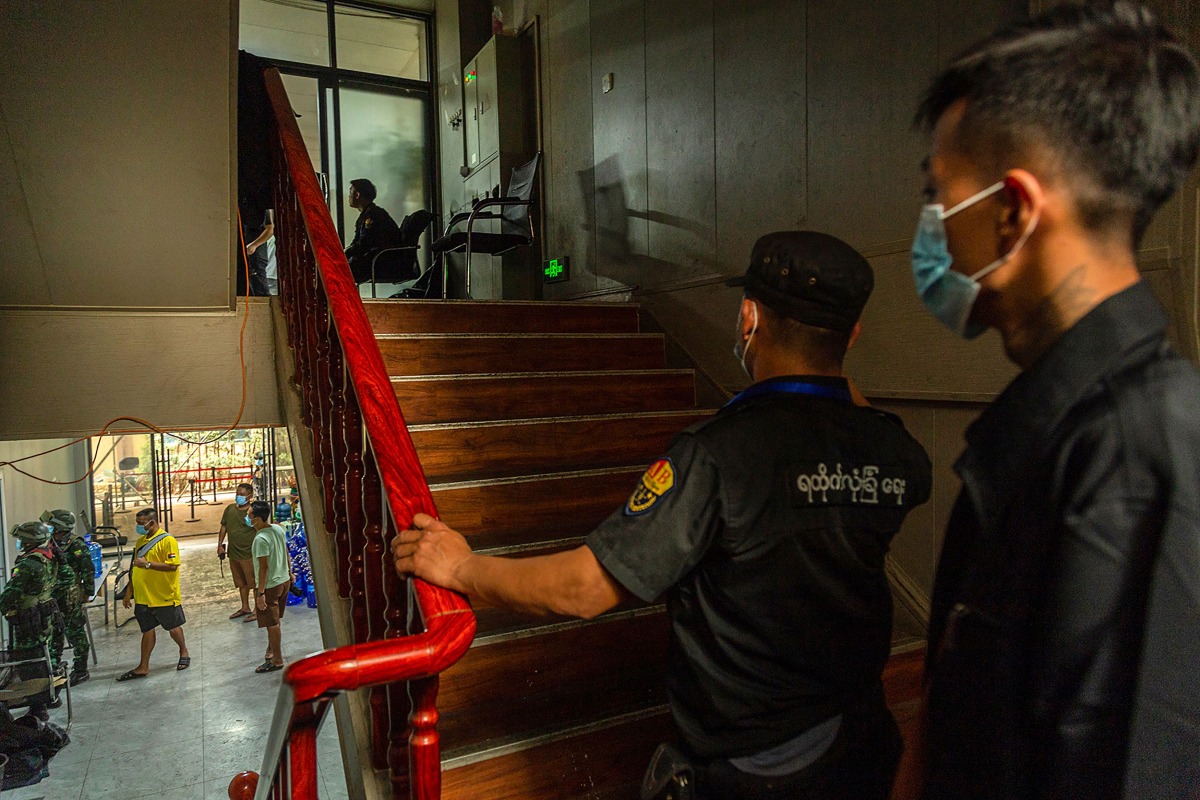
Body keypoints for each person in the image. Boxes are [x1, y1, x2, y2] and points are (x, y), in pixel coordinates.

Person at [393, 231, 933, 800]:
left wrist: (461, 569)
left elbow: (585, 589)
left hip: (758, 772)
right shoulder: (890, 447)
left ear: (748, 318)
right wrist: (829, 375)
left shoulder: (717, 455)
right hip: (863, 738)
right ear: (852, 335)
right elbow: (875, 436)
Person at [910, 4, 1200, 798]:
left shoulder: (1144, 454)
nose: (929, 229)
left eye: (939, 197)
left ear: (1013, 212)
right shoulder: (1049, 433)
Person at [118, 508, 190, 680]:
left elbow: (173, 565)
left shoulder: (168, 541)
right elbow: (134, 569)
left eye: (142, 523)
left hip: (163, 595)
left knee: (173, 628)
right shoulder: (141, 542)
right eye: (137, 523)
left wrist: (148, 564)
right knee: (147, 630)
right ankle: (143, 666)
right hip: (143, 597)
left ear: (152, 522)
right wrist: (129, 592)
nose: (139, 526)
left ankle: (183, 650)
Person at [0, 521, 59, 721]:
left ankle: (38, 707)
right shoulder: (49, 556)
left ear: (28, 541)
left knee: (28, 663)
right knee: (43, 656)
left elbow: (11, 593)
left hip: (28, 620)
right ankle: (50, 695)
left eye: (21, 540)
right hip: (44, 616)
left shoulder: (28, 564)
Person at [43, 509, 93, 686]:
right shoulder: (49, 544)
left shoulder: (75, 545)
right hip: (52, 598)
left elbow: (87, 569)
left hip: (70, 598)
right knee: (54, 635)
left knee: (76, 634)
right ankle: (56, 671)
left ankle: (80, 670)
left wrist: (87, 592)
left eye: (52, 526)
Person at [248, 501, 292, 673]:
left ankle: (277, 659)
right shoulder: (278, 529)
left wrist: (260, 594)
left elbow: (264, 568)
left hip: (270, 586)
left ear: (257, 519)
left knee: (271, 622)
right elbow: (286, 551)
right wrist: (290, 571)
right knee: (275, 620)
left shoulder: (260, 539)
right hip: (284, 580)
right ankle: (271, 650)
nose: (248, 518)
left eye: (250, 516)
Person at [344, 178, 402, 284]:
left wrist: (345, 255)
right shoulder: (367, 215)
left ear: (357, 195)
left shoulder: (372, 216)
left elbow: (365, 243)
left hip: (383, 262)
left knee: (340, 271)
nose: (349, 196)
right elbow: (358, 242)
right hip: (378, 259)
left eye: (350, 192)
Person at [218, 483, 258, 621]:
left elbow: (261, 529)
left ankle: (257, 609)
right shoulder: (229, 509)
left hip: (249, 553)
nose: (238, 497)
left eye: (242, 494)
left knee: (254, 583)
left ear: (249, 496)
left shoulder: (253, 512)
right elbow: (224, 527)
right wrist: (220, 545)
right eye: (237, 494)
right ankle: (245, 606)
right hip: (234, 553)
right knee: (241, 582)